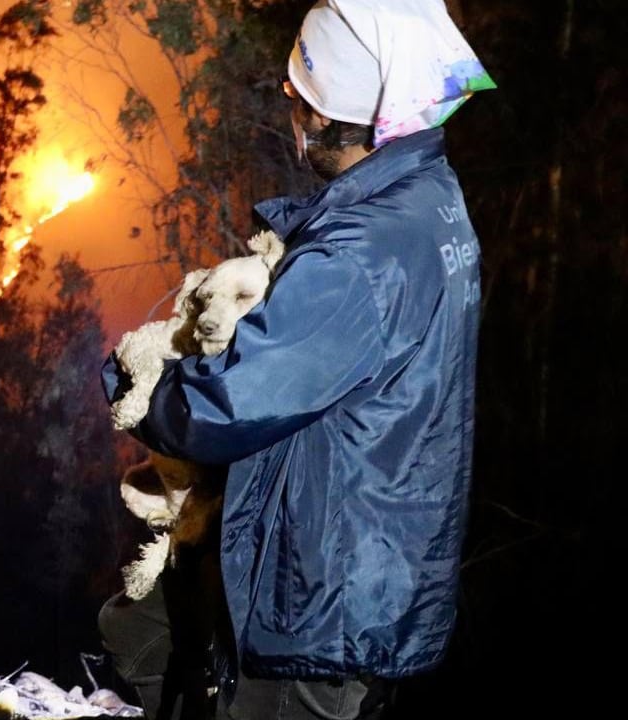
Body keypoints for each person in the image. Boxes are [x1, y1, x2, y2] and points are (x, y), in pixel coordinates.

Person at [100, 1, 496, 718]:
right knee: (138, 630)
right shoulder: (427, 193)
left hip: (320, 602)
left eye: (297, 99)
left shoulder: (359, 254)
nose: (290, 112)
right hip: (369, 568)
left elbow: (215, 409)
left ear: (335, 118)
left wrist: (137, 374)